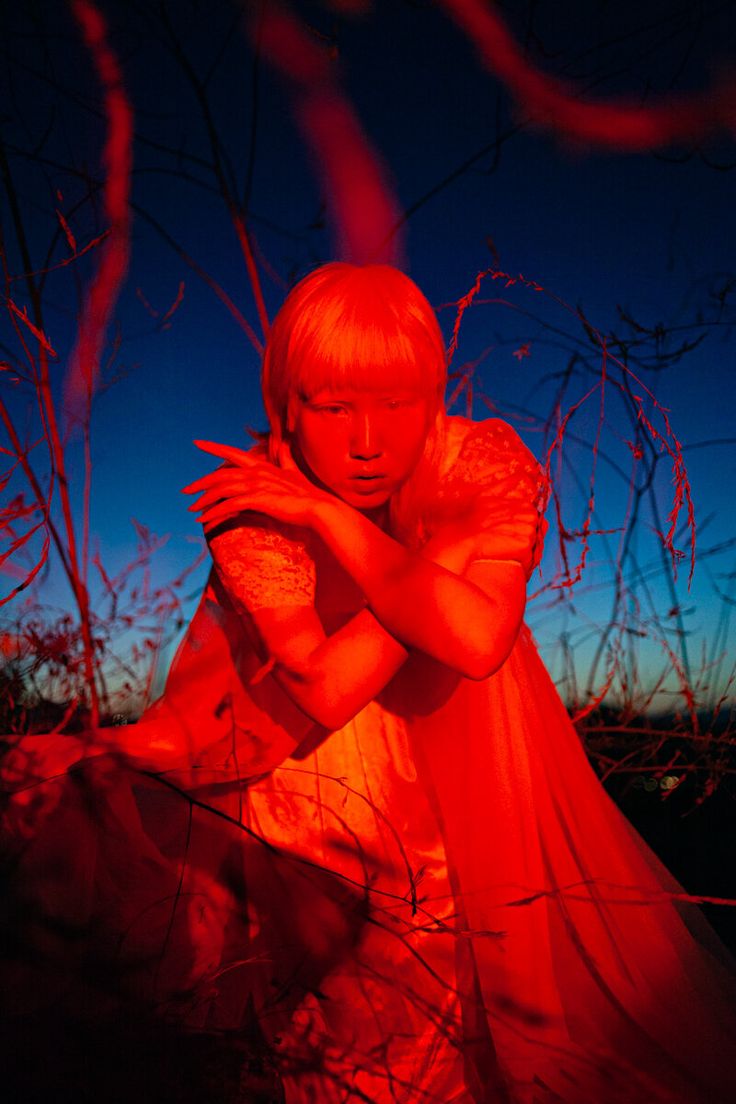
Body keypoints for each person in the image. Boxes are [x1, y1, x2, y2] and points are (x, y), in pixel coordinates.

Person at [2, 262, 735, 1103]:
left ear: (434, 393)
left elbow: (477, 639)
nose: (368, 441)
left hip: (475, 773)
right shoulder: (257, 505)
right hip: (321, 785)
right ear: (287, 404)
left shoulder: (479, 459)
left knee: (510, 1018)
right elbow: (322, 689)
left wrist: (339, 523)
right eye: (334, 405)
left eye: (398, 402)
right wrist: (403, 547)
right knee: (360, 1033)